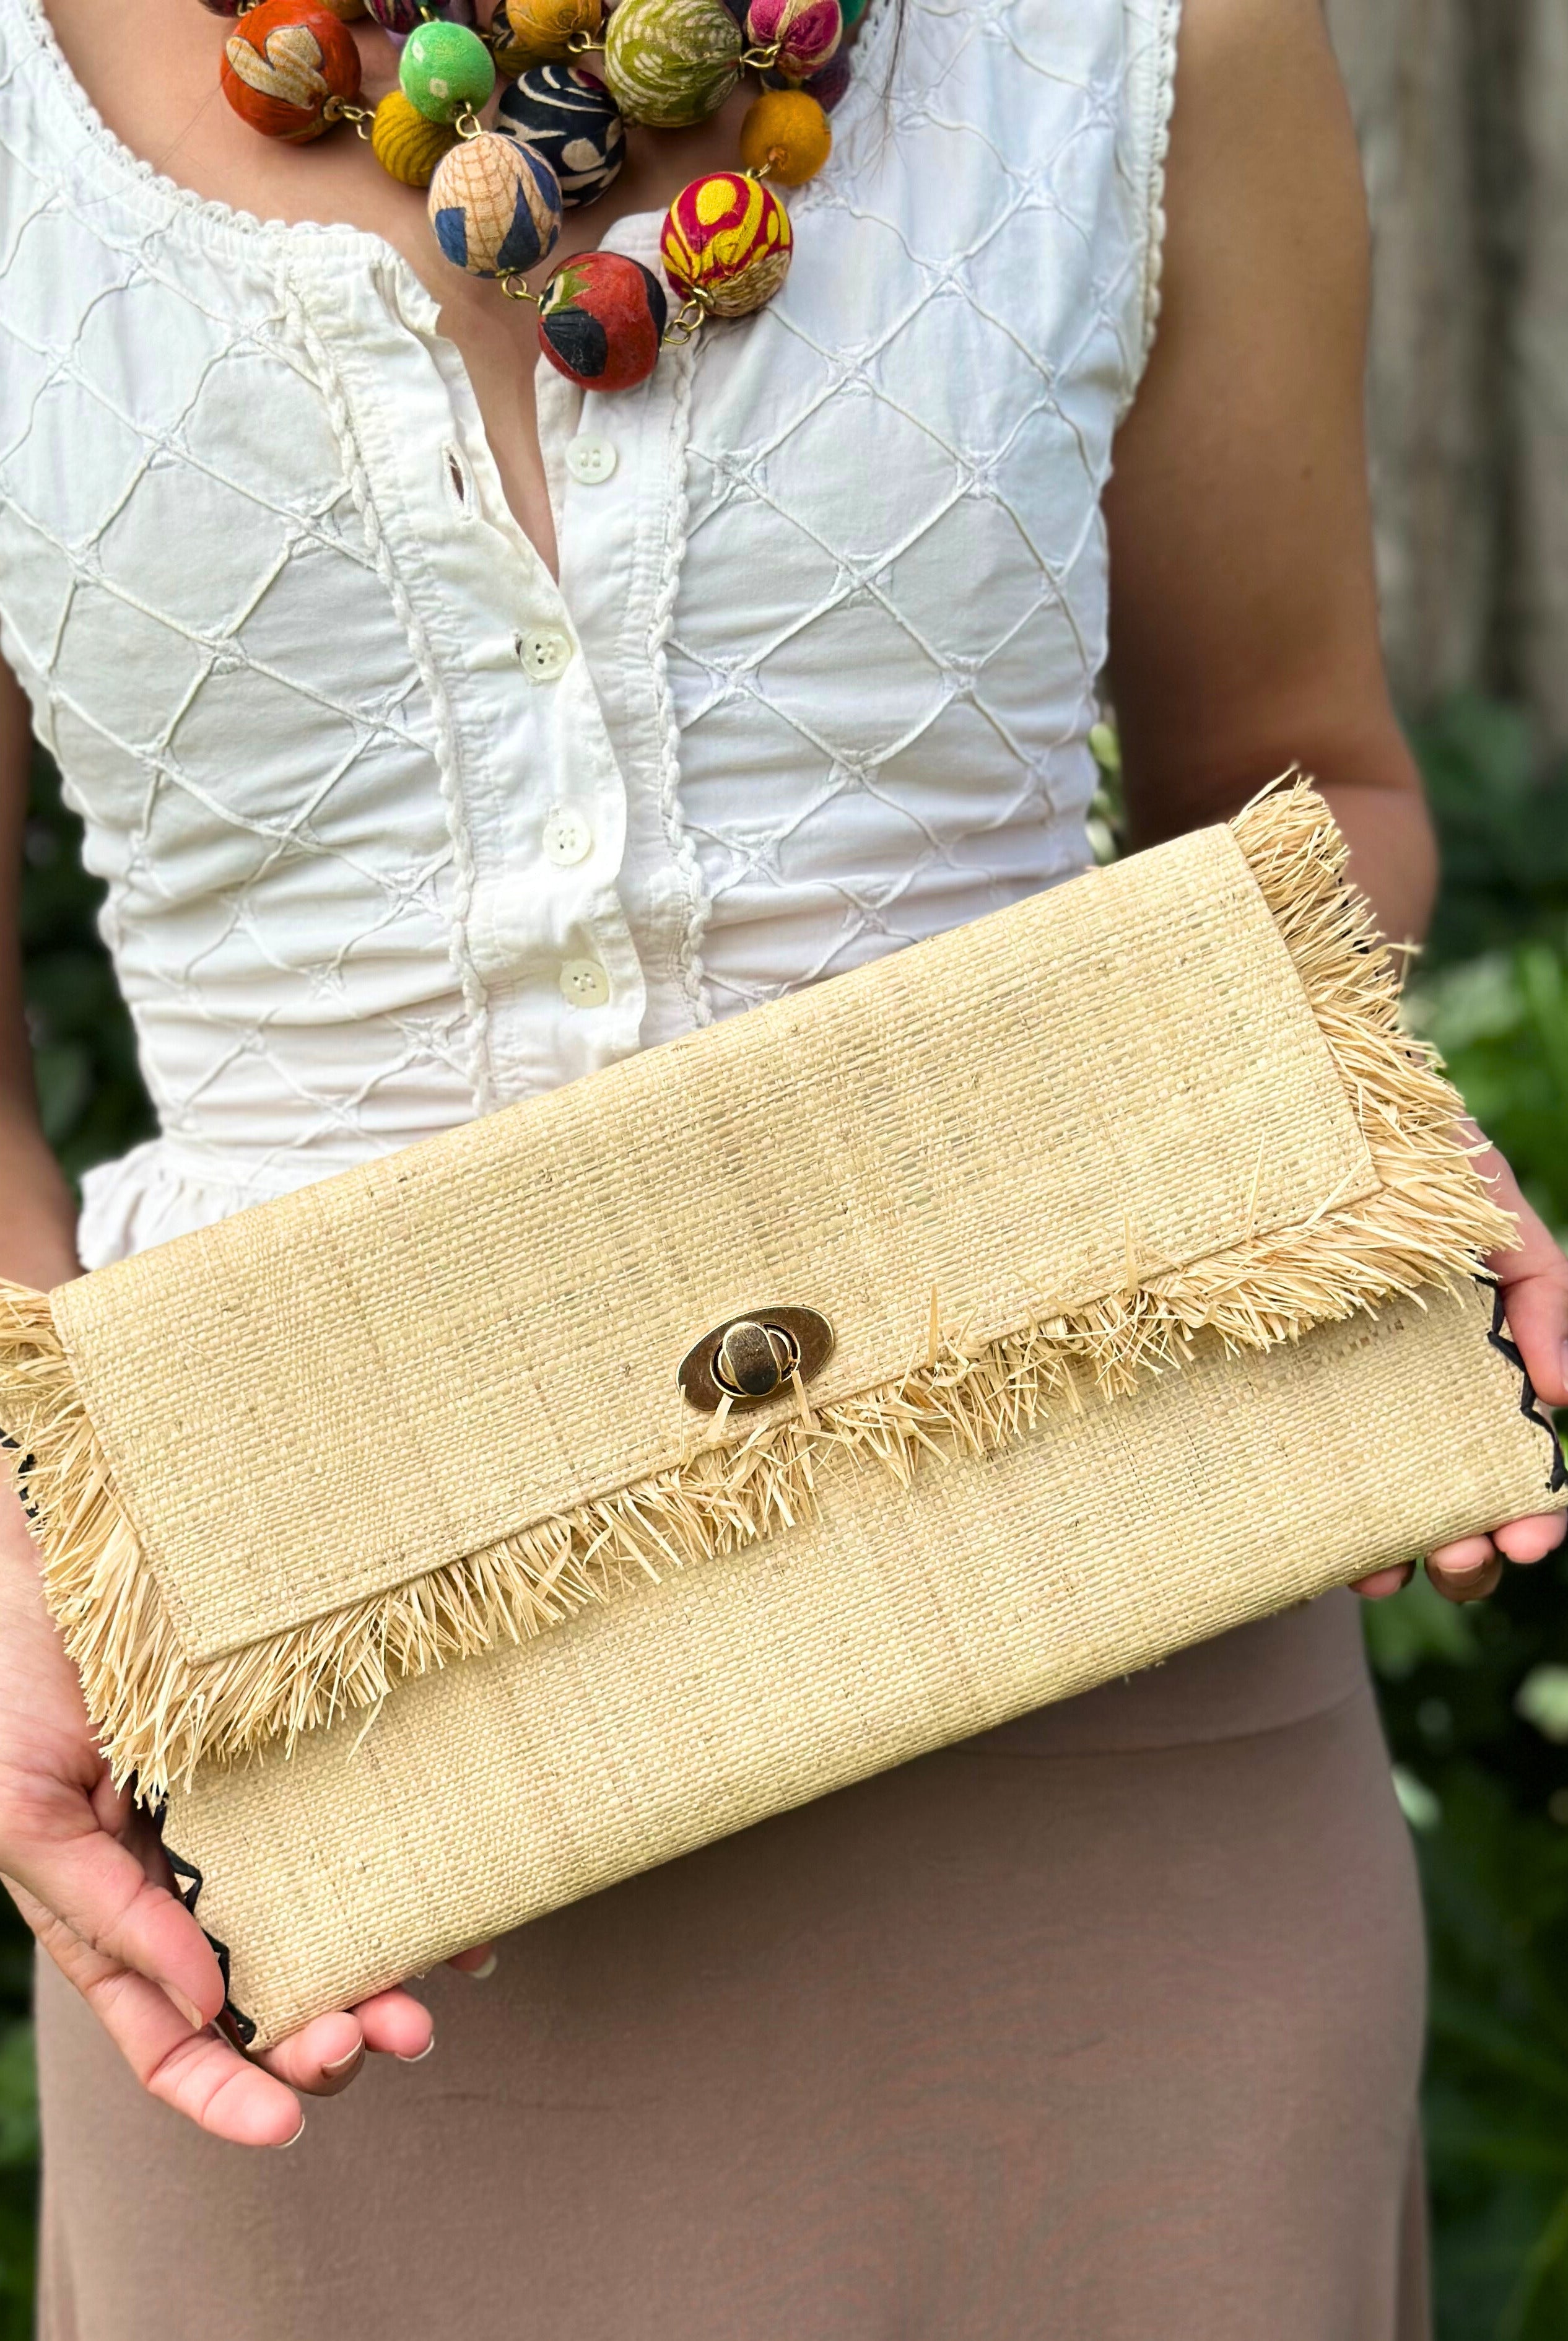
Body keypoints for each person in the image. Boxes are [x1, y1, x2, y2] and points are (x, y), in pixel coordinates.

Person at [0, 0, 1562, 2330]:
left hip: (1109, 1727)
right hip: (313, 1800)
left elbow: (1308, 783)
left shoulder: (1148, 35)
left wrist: (1333, 1138)